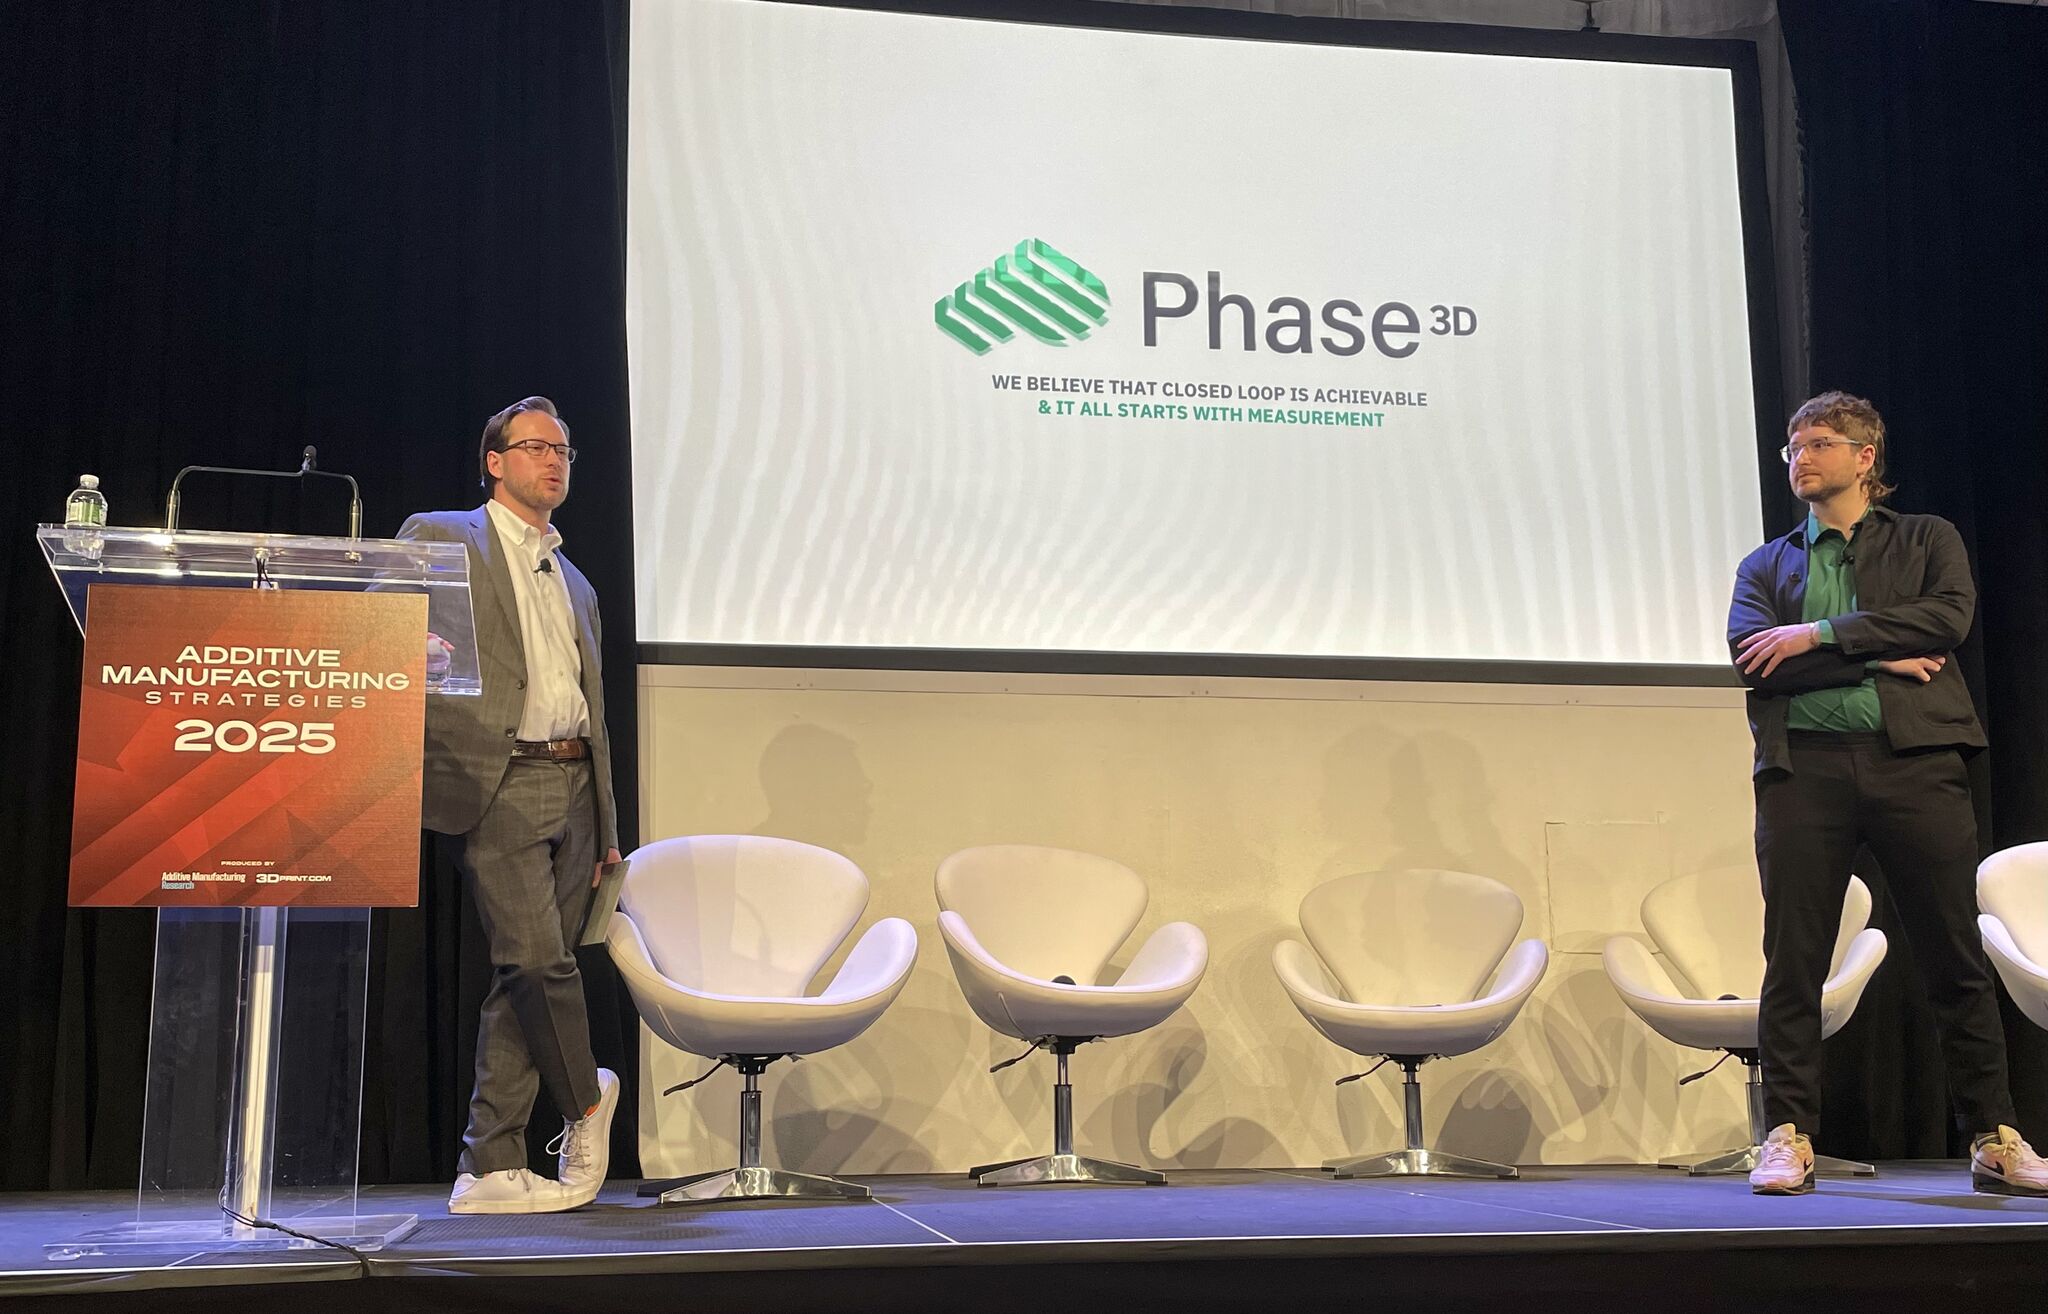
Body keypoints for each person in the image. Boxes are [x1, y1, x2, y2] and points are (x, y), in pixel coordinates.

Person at [1727, 390, 2045, 1197]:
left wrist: (1818, 635)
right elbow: (1752, 659)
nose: (1801, 459)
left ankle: (1995, 1137)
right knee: (1793, 959)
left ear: (1865, 457)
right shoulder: (1766, 565)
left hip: (1916, 764)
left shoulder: (1927, 538)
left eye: (1819, 444)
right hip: (1803, 771)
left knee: (1952, 954)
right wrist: (1876, 655)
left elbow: (1945, 621)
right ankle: (1787, 1135)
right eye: (1794, 448)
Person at [398, 396, 622, 1214]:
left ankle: (490, 1165)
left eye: (563, 451)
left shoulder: (577, 581)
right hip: (497, 777)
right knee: (534, 961)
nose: (553, 461)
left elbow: (596, 711)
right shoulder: (442, 535)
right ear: (495, 462)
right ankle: (586, 1101)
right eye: (534, 447)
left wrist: (608, 826)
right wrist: (415, 650)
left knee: (520, 981)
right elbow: (382, 624)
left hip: (576, 785)